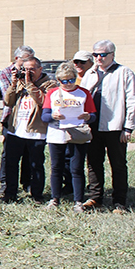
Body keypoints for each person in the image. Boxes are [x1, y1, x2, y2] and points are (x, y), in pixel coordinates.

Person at [80, 40, 135, 213]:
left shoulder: (124, 73)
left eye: (103, 54)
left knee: (118, 164)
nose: (99, 58)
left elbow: (133, 100)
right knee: (93, 163)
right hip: (92, 127)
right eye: (95, 54)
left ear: (112, 54)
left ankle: (119, 202)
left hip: (115, 127)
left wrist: (128, 127)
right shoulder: (90, 74)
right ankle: (95, 198)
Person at [1, 57, 57, 202]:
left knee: (36, 165)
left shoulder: (50, 84)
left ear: (40, 69)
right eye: (25, 69)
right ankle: (10, 193)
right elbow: (8, 101)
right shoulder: (20, 83)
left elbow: (44, 102)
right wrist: (13, 84)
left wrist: (30, 84)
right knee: (11, 164)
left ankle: (37, 195)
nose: (28, 72)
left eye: (31, 69)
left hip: (36, 131)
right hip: (16, 129)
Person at [42, 62, 96, 210]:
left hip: (77, 133)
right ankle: (55, 199)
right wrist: (53, 116)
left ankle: (78, 201)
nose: (67, 84)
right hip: (56, 134)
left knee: (76, 168)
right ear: (58, 81)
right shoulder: (52, 93)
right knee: (57, 167)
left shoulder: (84, 93)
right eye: (63, 81)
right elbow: (44, 116)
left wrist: (88, 117)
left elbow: (93, 115)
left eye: (71, 80)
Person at [0, 46, 35, 198]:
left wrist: (29, 79)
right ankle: (5, 183)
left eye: (30, 59)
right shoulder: (6, 73)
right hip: (11, 117)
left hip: (29, 118)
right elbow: (9, 99)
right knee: (9, 153)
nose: (27, 63)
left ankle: (27, 183)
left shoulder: (33, 73)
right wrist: (17, 81)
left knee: (28, 152)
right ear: (16, 59)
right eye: (24, 59)